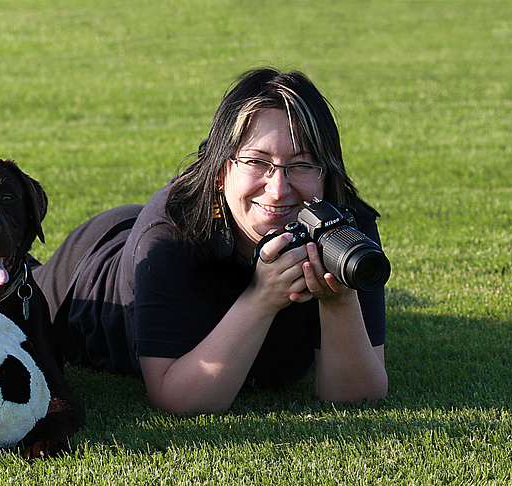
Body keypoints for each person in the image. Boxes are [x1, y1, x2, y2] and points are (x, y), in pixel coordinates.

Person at [31, 68, 388, 415]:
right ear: (221, 171)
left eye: (303, 165)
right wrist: (262, 298)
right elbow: (180, 400)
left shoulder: (343, 227)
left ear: (328, 173)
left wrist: (340, 301)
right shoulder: (170, 236)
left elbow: (356, 397)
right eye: (256, 162)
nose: (278, 190)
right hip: (89, 275)